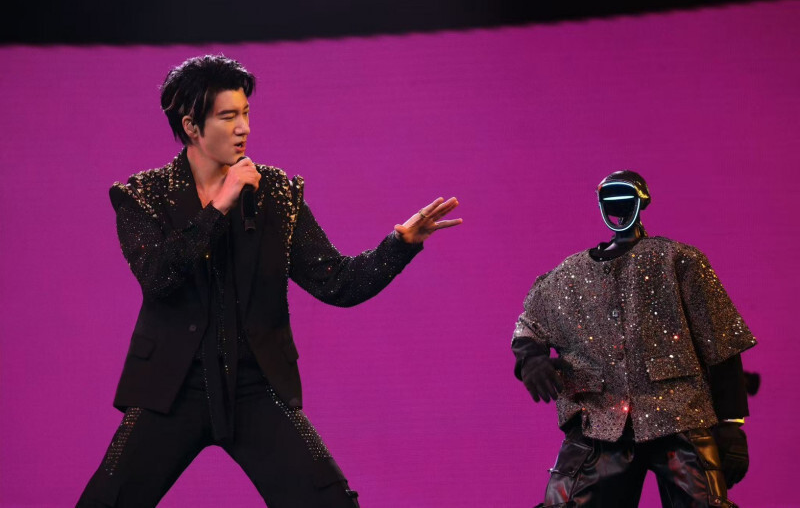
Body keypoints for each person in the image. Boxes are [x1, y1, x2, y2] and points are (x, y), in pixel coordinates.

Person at [78, 54, 461, 507]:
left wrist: (400, 245)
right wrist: (217, 208)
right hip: (171, 387)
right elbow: (158, 277)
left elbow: (337, 282)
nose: (243, 128)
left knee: (332, 502)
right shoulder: (143, 196)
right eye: (228, 117)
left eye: (245, 113)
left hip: (255, 386)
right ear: (191, 126)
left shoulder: (275, 192)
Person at [511, 171, 755, 508]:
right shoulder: (567, 276)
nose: (618, 206)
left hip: (679, 415)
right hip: (597, 421)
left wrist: (731, 423)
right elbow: (530, 325)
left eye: (625, 197)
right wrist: (531, 358)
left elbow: (721, 341)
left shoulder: (678, 261)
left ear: (643, 202)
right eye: (609, 198)